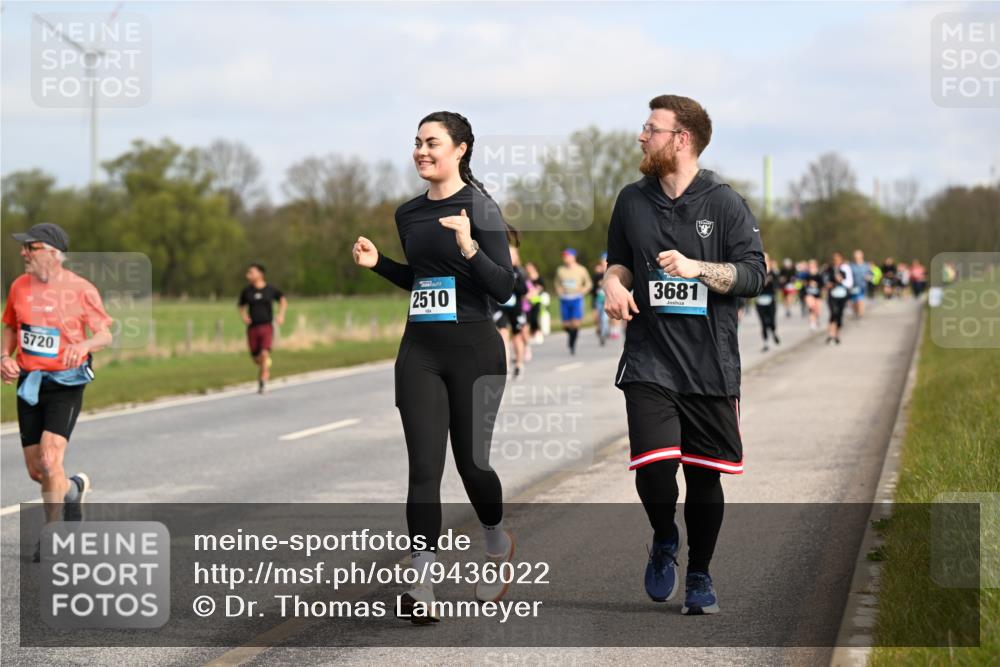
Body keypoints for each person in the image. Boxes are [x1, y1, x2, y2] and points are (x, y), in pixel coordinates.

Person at [352, 111, 517, 622]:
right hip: (419, 352)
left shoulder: (481, 208)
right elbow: (424, 280)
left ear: (461, 149)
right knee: (424, 468)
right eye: (417, 143)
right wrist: (380, 263)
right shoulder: (408, 214)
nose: (422, 151)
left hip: (474, 351)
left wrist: (469, 245)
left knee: (472, 467)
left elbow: (504, 289)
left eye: (433, 143)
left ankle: (495, 542)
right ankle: (421, 581)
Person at [603, 94, 765, 615]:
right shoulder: (631, 200)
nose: (641, 136)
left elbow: (754, 275)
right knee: (653, 468)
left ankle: (699, 573)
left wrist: (699, 268)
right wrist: (611, 283)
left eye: (651, 128)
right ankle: (664, 537)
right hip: (649, 358)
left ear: (682, 139)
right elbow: (620, 263)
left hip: (709, 365)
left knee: (702, 476)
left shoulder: (724, 202)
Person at [1, 223, 114, 561]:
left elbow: (105, 334)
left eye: (30, 247)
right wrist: (5, 357)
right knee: (38, 471)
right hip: (30, 382)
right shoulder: (19, 287)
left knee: (51, 461)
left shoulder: (81, 289)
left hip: (66, 382)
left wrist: (83, 343)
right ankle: (73, 489)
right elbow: (11, 326)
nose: (23, 253)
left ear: (51, 252)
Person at [238, 264, 287, 395]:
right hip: (252, 328)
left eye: (251, 272)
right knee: (256, 359)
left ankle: (263, 382)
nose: (248, 275)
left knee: (264, 353)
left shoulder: (270, 289)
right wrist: (244, 316)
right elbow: (241, 306)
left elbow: (282, 300)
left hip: (266, 326)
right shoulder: (246, 291)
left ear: (260, 274)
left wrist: (281, 314)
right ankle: (265, 364)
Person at [493, 245, 529, 377]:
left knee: (517, 336)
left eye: (512, 255)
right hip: (500, 308)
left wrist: (512, 282)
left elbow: (524, 290)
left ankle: (519, 363)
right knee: (503, 334)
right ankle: (506, 366)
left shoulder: (519, 272)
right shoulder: (498, 269)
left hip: (515, 309)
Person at [555, 248, 592, 354]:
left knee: (575, 324)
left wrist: (583, 290)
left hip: (576, 298)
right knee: (566, 325)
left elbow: (588, 283)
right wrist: (558, 290)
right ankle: (571, 336)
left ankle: (572, 343)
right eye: (564, 256)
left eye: (567, 256)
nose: (565, 258)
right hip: (565, 298)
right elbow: (557, 282)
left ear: (573, 257)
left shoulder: (581, 269)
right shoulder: (560, 270)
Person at [825, 252, 853, 345]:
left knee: (839, 315)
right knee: (833, 313)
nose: (836, 261)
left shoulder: (845, 269)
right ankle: (830, 335)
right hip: (832, 295)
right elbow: (824, 279)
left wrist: (841, 280)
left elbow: (849, 282)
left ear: (841, 260)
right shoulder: (829, 269)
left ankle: (837, 335)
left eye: (838, 259)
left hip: (842, 295)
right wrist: (829, 284)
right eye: (834, 259)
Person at [755, 255, 781, 351]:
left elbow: (777, 285)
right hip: (760, 300)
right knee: (763, 322)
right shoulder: (757, 272)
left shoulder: (774, 273)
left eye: (765, 259)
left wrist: (771, 282)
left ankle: (774, 332)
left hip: (770, 300)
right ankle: (765, 343)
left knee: (771, 321)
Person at [592, 252, 611, 345]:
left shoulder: (613, 273)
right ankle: (602, 330)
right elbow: (593, 289)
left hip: (608, 299)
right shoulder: (597, 275)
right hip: (599, 300)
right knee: (599, 318)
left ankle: (604, 334)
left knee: (604, 318)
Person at [849, 249, 872, 319]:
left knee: (860, 300)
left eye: (858, 257)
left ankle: (860, 314)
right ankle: (856, 312)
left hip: (862, 286)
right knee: (854, 302)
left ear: (862, 256)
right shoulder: (851, 265)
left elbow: (871, 274)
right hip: (853, 286)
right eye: (855, 257)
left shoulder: (866, 265)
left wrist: (869, 277)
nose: (857, 258)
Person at [803, 259, 823, 331]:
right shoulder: (806, 274)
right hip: (809, 294)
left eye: (812, 264)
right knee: (811, 307)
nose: (811, 266)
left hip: (817, 294)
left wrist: (816, 284)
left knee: (817, 310)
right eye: (810, 264)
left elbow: (822, 284)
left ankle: (816, 319)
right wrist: (807, 284)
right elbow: (802, 284)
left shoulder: (819, 274)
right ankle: (812, 323)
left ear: (815, 265)